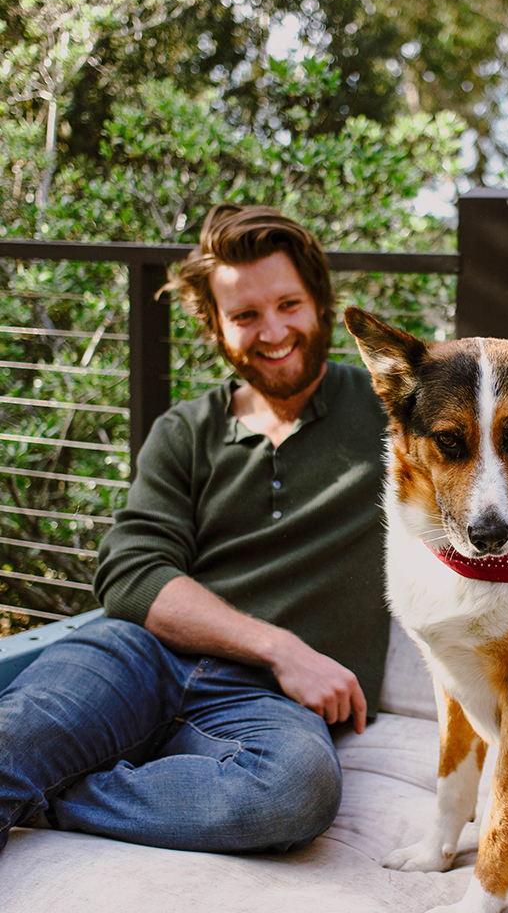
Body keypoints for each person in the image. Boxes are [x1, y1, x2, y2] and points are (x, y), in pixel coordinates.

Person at [0, 204, 391, 855]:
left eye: (288, 305)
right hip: (138, 659)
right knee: (11, 740)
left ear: (320, 303)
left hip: (267, 705)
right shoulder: (184, 430)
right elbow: (132, 574)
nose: (273, 332)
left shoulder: (392, 411)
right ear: (215, 326)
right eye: (245, 315)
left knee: (295, 789)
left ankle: (53, 796)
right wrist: (280, 647)